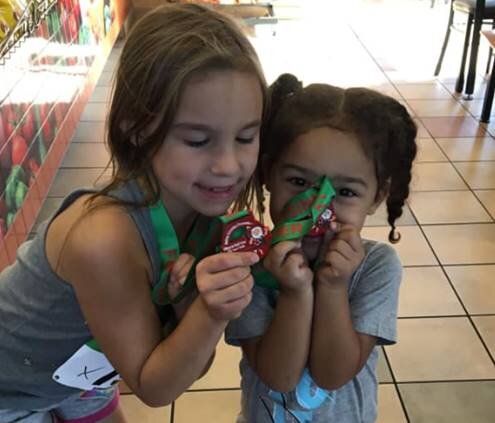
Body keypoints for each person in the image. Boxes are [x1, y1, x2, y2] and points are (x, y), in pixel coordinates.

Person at [0, 4, 267, 422]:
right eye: (198, 140)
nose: (229, 165)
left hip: (79, 377)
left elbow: (183, 370)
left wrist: (188, 314)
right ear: (135, 129)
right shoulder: (101, 239)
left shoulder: (203, 217)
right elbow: (154, 386)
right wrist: (210, 313)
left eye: (246, 137)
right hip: (10, 389)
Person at [226, 73, 417, 423]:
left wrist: (332, 285)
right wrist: (294, 291)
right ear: (269, 172)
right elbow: (278, 376)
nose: (319, 207)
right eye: (299, 182)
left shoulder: (378, 267)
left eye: (344, 192)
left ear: (376, 196)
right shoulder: (249, 262)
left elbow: (333, 374)